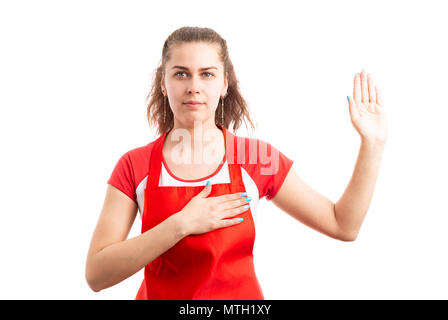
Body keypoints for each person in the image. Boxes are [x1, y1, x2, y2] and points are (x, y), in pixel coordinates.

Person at [85, 26, 388, 300]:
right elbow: (97, 274)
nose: (193, 86)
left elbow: (342, 224)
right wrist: (181, 224)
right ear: (163, 83)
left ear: (224, 84)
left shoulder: (256, 159)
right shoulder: (134, 166)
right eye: (180, 73)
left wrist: (372, 144)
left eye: (207, 74)